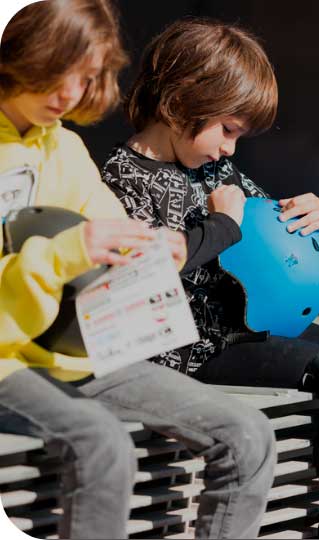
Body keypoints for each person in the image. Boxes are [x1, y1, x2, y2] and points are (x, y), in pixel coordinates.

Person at [101, 18, 319, 539]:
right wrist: (221, 226)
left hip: (247, 326)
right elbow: (149, 272)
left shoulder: (215, 172)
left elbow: (272, 237)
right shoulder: (122, 181)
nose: (230, 148)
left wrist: (317, 219)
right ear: (180, 102)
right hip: (192, 347)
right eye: (227, 130)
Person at [0, 2, 275, 538]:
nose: (68, 93)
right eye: (54, 70)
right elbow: (77, 248)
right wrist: (69, 251)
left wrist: (153, 257)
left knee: (249, 435)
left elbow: (114, 236)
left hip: (85, 352)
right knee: (102, 443)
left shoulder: (66, 148)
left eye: (84, 77)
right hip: (10, 362)